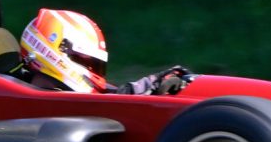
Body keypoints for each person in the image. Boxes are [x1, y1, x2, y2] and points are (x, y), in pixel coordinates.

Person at [14, 8, 194, 96]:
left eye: (95, 64)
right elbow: (103, 106)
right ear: (55, 49)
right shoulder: (27, 98)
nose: (92, 69)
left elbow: (108, 98)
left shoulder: (59, 95)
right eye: (86, 60)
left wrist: (153, 85)